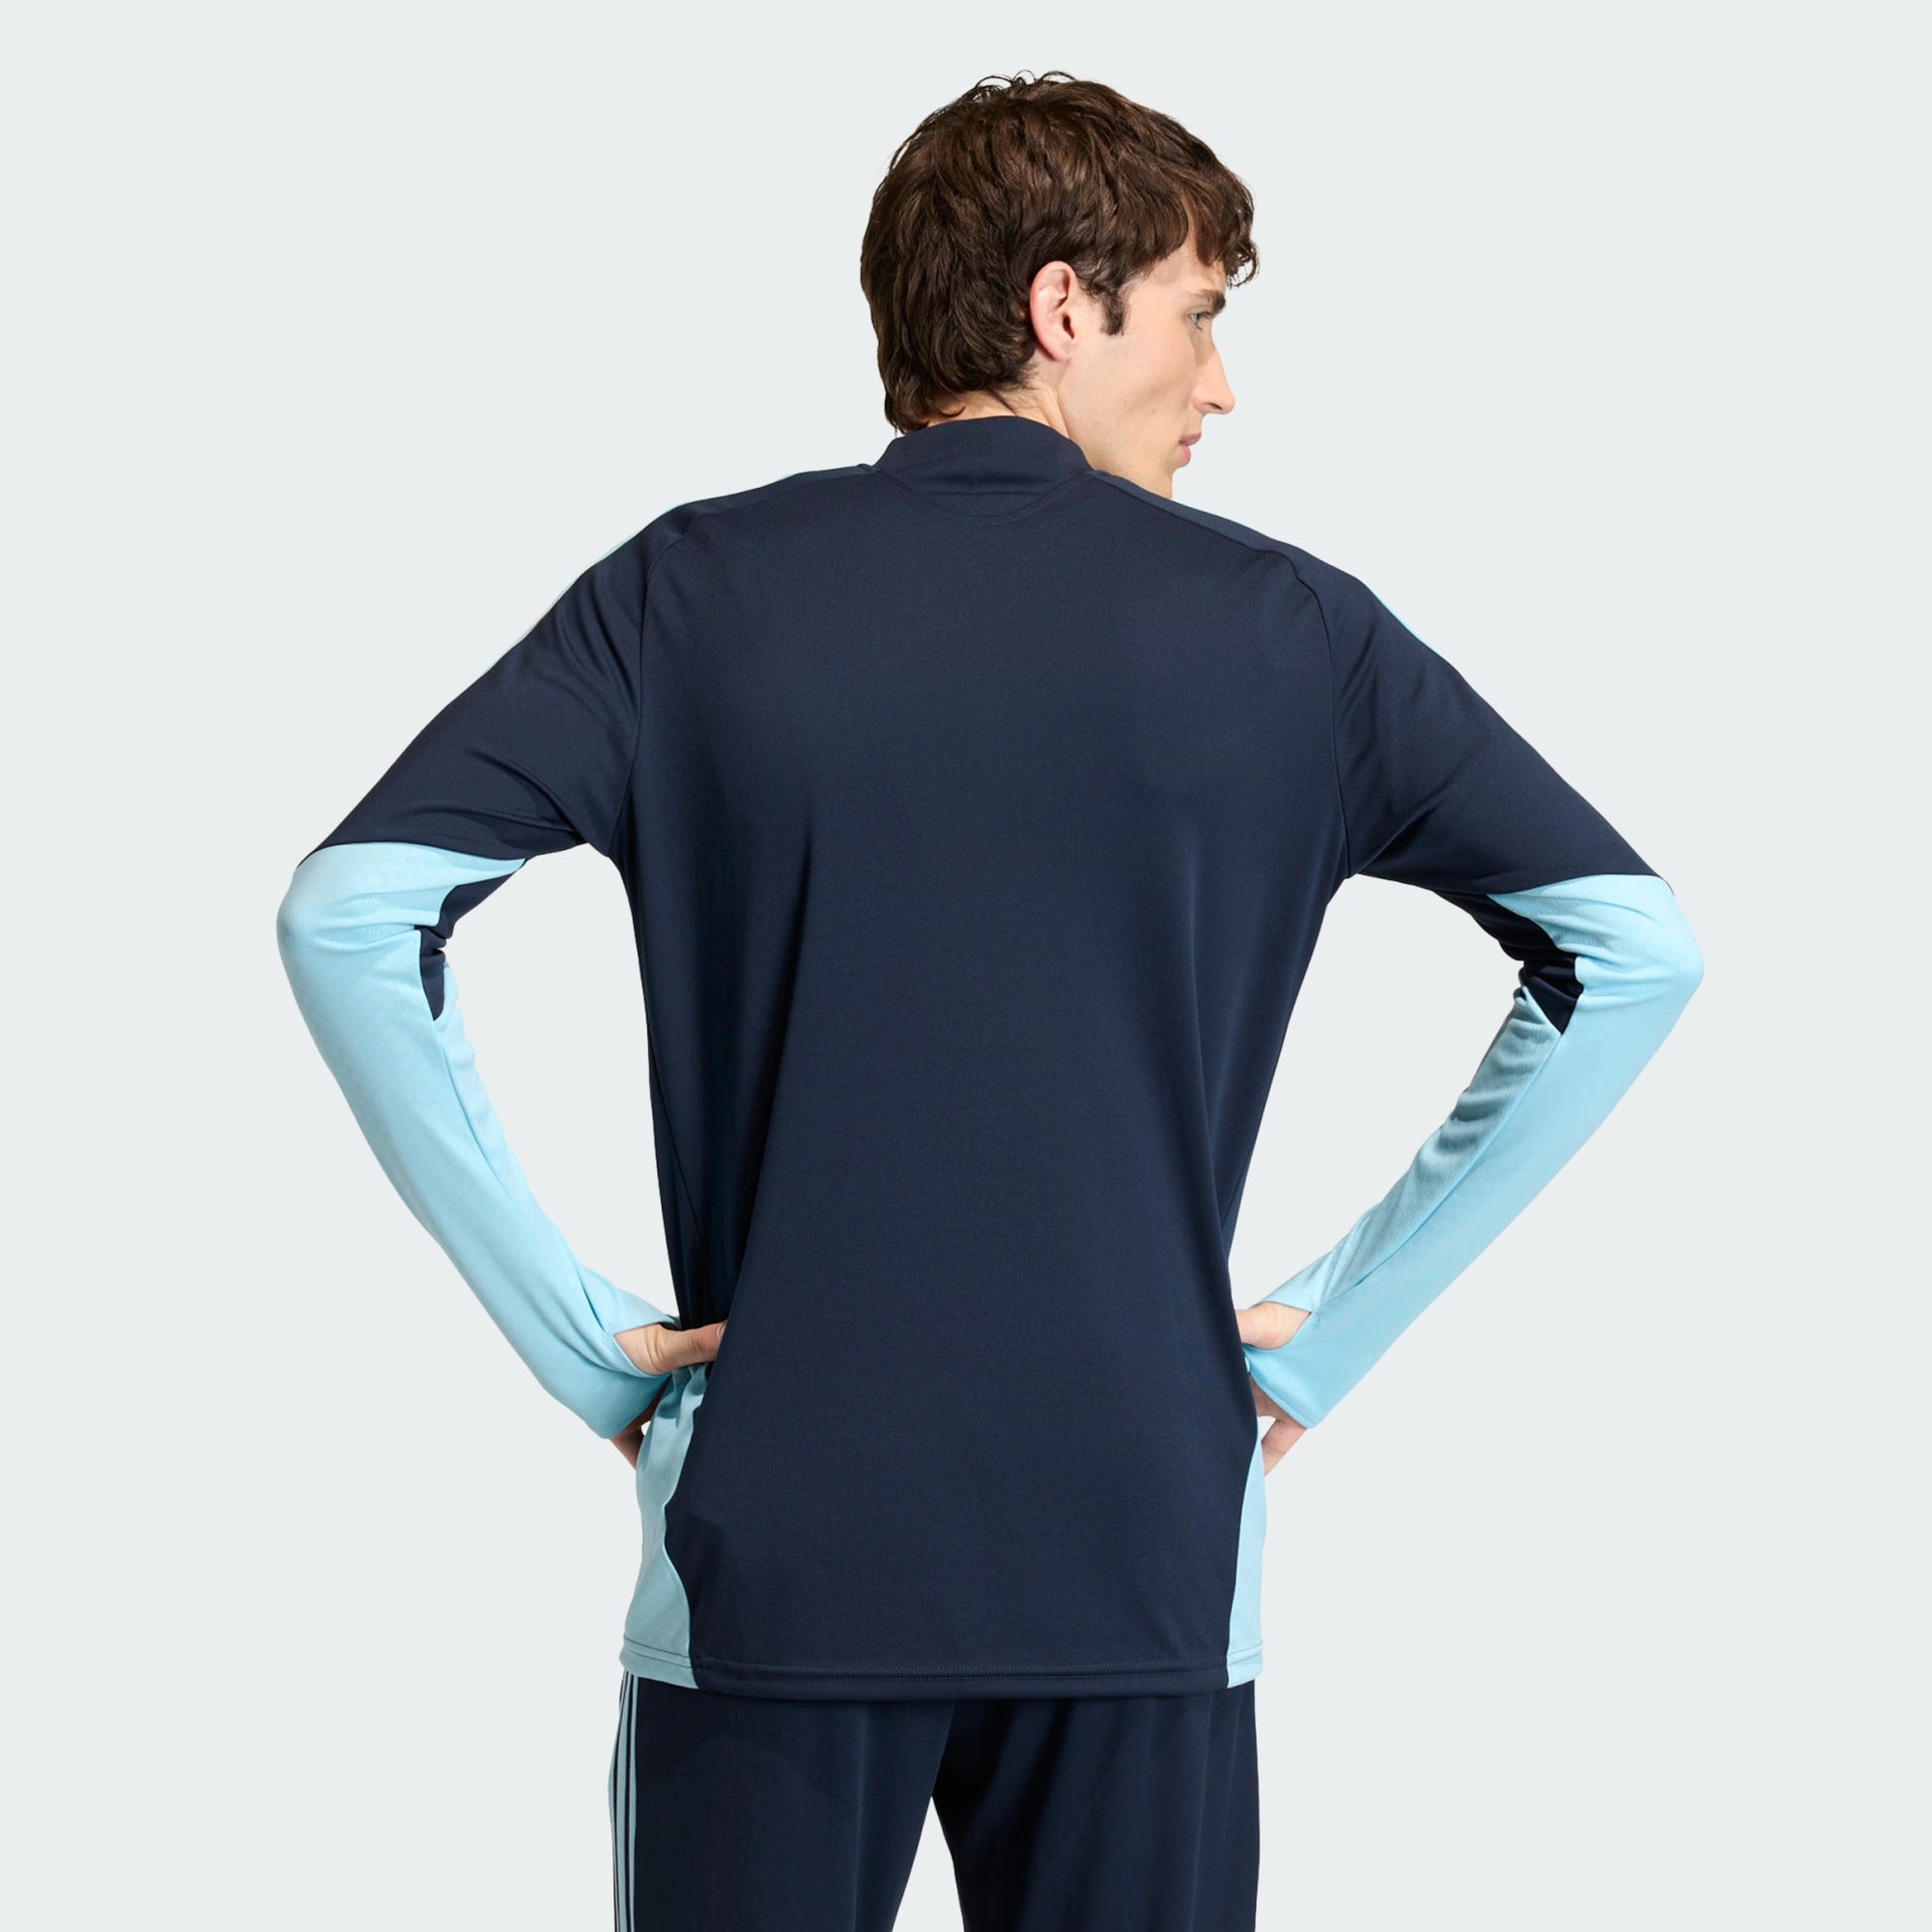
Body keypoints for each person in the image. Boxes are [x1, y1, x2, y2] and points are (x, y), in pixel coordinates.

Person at [275, 69, 1703, 1932]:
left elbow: (353, 914)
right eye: (1197, 315)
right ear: (1061, 305)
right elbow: (1629, 948)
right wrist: (1325, 1336)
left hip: (779, 1546)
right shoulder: (1296, 632)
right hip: (1143, 1539)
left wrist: (579, 1342)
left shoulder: (691, 594)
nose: (1220, 386)